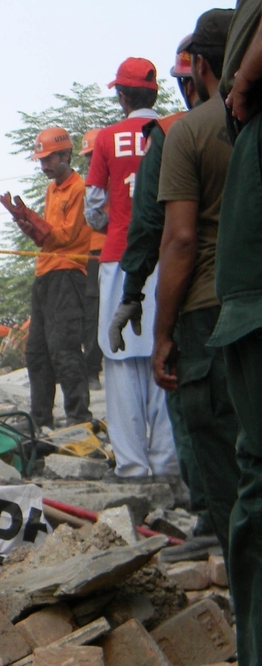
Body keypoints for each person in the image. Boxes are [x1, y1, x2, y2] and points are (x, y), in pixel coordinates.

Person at [166, 0, 262, 666]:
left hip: (224, 315)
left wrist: (155, 320)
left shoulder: (194, 129)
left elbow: (177, 240)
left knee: (246, 505)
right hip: (229, 310)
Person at [113, 35, 212, 539]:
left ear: (191, 75)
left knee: (192, 401)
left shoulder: (173, 134)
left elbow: (166, 234)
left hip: (203, 298)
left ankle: (213, 518)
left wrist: (135, 297)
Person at [151, 9, 240, 556]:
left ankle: (227, 549)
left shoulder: (193, 132)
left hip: (210, 309)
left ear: (200, 65)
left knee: (221, 443)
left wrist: (162, 334)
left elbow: (179, 241)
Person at [88, 59, 179, 479]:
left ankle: (132, 466)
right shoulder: (176, 130)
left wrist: (119, 220)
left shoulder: (107, 139)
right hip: (171, 258)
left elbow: (94, 212)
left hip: (120, 258)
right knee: (168, 353)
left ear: (122, 97)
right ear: (155, 94)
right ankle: (167, 462)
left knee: (120, 359)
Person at [0, 127, 93, 430]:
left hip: (68, 275)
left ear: (66, 154)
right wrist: (25, 220)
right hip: (46, 274)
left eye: (49, 159)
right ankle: (40, 420)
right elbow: (47, 239)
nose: (44, 166)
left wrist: (34, 220)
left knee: (64, 348)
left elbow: (65, 236)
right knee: (36, 352)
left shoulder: (79, 188)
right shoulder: (52, 189)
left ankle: (78, 418)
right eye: (41, 160)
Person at [80, 129, 106, 388]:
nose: (89, 159)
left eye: (92, 153)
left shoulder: (114, 176)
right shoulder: (89, 182)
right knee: (93, 314)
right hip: (93, 254)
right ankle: (91, 368)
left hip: (115, 250)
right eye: (87, 155)